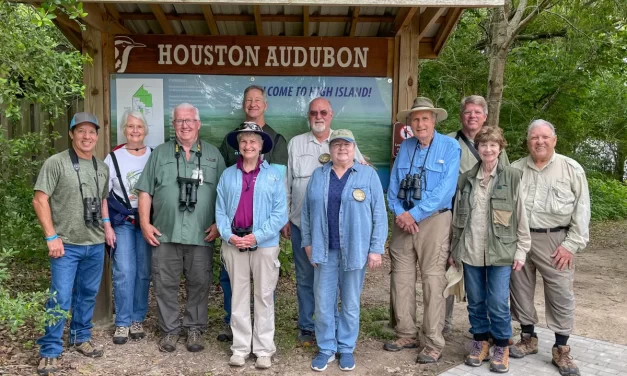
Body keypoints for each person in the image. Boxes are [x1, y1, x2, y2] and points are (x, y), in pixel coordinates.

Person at [135, 103, 226, 353]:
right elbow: (145, 191)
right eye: (179, 121)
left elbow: (226, 192)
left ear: (198, 124)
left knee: (200, 282)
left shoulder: (212, 155)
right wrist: (144, 223)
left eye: (189, 120)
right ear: (172, 125)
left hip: (201, 233)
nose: (184, 125)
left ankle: (194, 327)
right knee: (165, 284)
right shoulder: (160, 154)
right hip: (166, 232)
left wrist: (220, 223)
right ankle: (170, 330)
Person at [33, 112, 115, 375]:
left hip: (94, 242)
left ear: (97, 136)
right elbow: (40, 200)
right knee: (60, 298)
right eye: (81, 131)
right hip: (65, 245)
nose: (87, 136)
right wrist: (51, 236)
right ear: (71, 134)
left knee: (88, 294)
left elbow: (102, 200)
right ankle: (50, 350)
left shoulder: (101, 167)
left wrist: (107, 225)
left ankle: (81, 337)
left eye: (92, 132)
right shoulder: (55, 163)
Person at [301, 129, 387, 372]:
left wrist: (376, 248)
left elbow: (379, 214)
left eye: (347, 144)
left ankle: (346, 347)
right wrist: (307, 243)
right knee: (323, 302)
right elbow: (306, 212)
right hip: (323, 249)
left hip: (355, 249)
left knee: (350, 302)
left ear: (354, 147)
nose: (342, 149)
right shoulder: (318, 175)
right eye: (337, 144)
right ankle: (327, 348)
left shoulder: (368, 175)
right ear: (330, 149)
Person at [509, 120, 590, 376]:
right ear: (528, 141)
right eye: (534, 137)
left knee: (560, 293)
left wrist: (571, 245)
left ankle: (561, 349)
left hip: (556, 241)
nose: (539, 142)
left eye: (545, 137)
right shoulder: (514, 169)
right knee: (520, 289)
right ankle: (527, 338)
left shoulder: (571, 169)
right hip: (520, 240)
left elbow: (582, 210)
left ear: (554, 140)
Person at [282, 97, 365, 346]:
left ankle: (335, 326)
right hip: (301, 224)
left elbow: (362, 171)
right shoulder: (296, 144)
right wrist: (286, 217)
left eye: (323, 113)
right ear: (309, 116)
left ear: (331, 115)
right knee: (306, 278)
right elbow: (287, 181)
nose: (318, 117)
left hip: (338, 229)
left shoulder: (345, 143)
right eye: (314, 113)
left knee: (336, 281)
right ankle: (307, 327)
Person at [449, 126, 531, 373]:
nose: (488, 149)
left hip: (501, 252)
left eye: (493, 145)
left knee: (497, 301)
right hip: (471, 249)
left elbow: (521, 216)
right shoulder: (465, 179)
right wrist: (454, 249)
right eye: (483, 145)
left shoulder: (513, 177)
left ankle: (502, 345)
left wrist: (521, 250)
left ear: (500, 148)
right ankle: (480, 342)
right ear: (478, 148)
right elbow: (457, 219)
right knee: (475, 301)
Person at [385, 97, 461, 364]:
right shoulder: (405, 147)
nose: (420, 123)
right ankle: (406, 332)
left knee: (432, 280)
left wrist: (414, 214)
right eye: (415, 119)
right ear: (410, 123)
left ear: (434, 120)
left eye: (425, 118)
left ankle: (432, 341)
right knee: (401, 278)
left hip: (434, 220)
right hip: (403, 220)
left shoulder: (450, 147)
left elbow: (446, 191)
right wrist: (399, 212)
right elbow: (394, 184)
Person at [216, 85, 288, 342]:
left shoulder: (277, 142)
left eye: (258, 100)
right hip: (234, 238)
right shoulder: (228, 170)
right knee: (236, 292)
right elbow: (222, 201)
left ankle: (263, 346)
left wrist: (259, 234)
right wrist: (226, 232)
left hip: (263, 240)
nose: (248, 145)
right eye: (249, 100)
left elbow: (279, 203)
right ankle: (239, 342)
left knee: (264, 294)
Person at [444, 95, 510, 334]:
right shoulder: (449, 141)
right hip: (453, 212)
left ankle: (495, 332)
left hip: (487, 219)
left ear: (484, 116)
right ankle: (444, 325)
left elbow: (506, 185)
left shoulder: (496, 146)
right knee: (449, 272)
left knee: (492, 284)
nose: (472, 116)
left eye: (477, 112)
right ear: (461, 115)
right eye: (467, 112)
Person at [104, 110, 152, 345]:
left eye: (139, 127)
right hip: (122, 221)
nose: (135, 131)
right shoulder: (113, 158)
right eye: (131, 126)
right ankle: (122, 322)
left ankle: (137, 318)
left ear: (146, 131)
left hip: (146, 222)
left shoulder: (153, 156)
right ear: (124, 130)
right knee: (124, 270)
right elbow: (103, 194)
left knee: (143, 271)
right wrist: (106, 225)